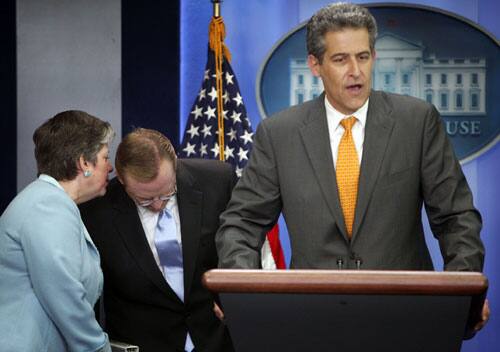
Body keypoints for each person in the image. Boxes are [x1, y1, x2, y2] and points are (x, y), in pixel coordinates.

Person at [215, 2, 489, 330]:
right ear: (315, 65)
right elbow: (242, 223)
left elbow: (456, 218)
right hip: (312, 320)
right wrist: (242, 292)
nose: (355, 71)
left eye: (362, 56)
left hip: (406, 317)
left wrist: (461, 295)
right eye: (340, 59)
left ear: (374, 57)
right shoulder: (279, 134)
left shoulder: (416, 121)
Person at [79, 128, 235, 352]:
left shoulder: (217, 181)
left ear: (176, 165)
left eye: (166, 193)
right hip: (143, 343)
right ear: (122, 179)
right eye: (144, 199)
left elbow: (240, 245)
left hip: (215, 340)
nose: (157, 205)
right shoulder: (95, 212)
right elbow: (89, 298)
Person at [0, 110, 114, 351]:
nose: (111, 167)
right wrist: (98, 347)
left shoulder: (52, 202)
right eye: (105, 157)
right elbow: (64, 294)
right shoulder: (47, 205)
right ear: (84, 163)